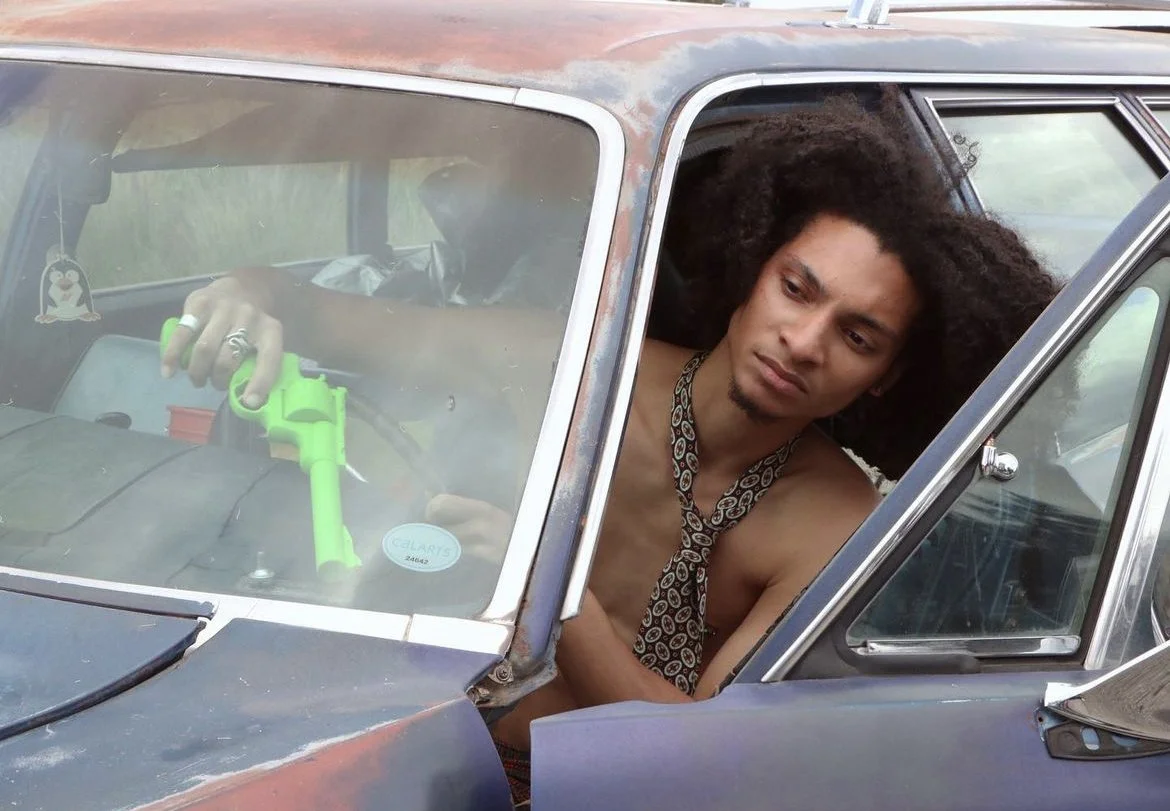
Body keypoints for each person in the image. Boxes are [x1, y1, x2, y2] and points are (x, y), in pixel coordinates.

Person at [161, 90, 1060, 807]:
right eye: (797, 288)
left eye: (858, 336)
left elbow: (707, 756)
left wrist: (547, 584)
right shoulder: (576, 367)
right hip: (402, 760)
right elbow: (328, 315)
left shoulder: (833, 522)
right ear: (753, 269)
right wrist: (243, 294)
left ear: (886, 380)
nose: (804, 339)